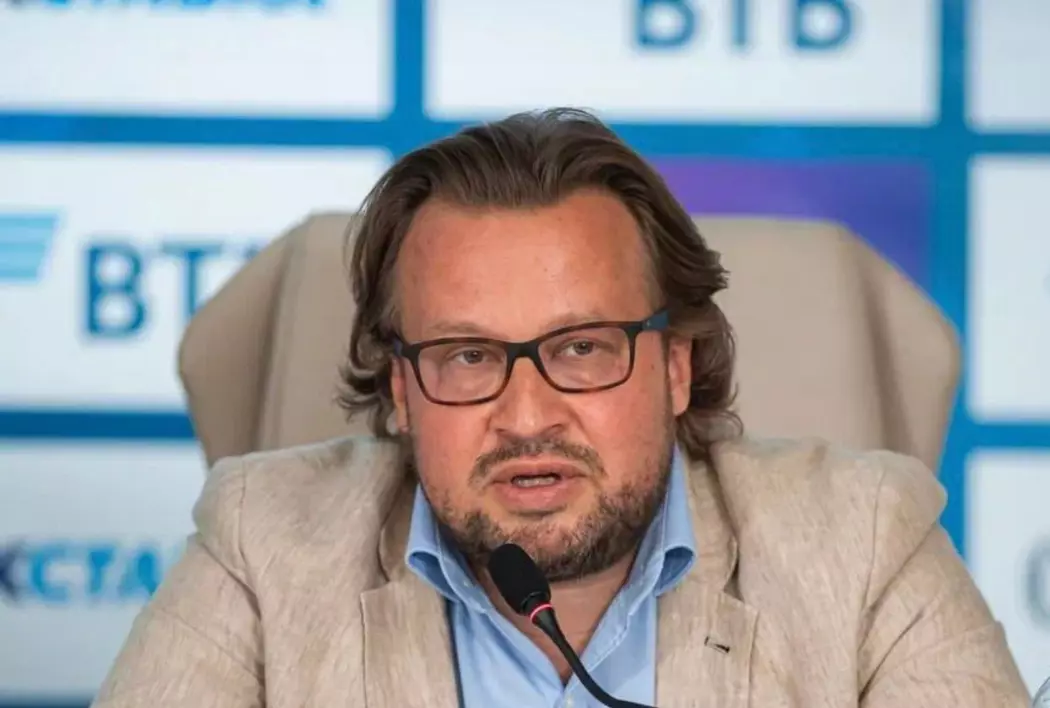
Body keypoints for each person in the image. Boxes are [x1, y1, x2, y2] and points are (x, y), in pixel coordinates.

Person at [92, 108, 1029, 707]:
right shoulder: (262, 544)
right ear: (402, 391)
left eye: (581, 348)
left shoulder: (864, 543)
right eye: (468, 356)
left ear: (675, 368)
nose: (527, 415)